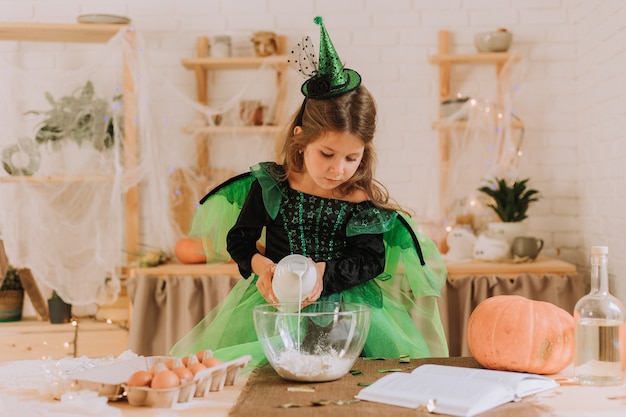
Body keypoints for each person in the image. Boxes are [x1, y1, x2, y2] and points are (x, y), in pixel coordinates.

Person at [170, 17, 448, 365]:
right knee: (265, 379)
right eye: (327, 154)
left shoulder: (361, 200)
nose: (339, 169)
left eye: (352, 157)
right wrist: (262, 267)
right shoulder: (272, 186)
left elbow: (371, 260)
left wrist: (324, 273)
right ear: (301, 139)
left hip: (347, 315)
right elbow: (239, 239)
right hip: (276, 307)